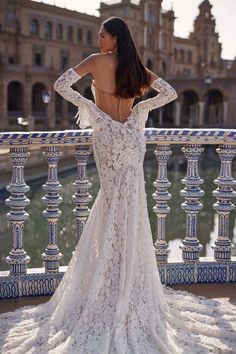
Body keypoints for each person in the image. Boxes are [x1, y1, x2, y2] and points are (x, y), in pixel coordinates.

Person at [0, 16, 235, 354]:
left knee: (111, 201)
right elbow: (168, 93)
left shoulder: (95, 62)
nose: (99, 39)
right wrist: (140, 108)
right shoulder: (135, 66)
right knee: (131, 204)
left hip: (108, 136)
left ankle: (109, 281)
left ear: (114, 38)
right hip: (131, 136)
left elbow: (61, 84)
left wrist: (91, 109)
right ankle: (125, 279)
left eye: (103, 34)